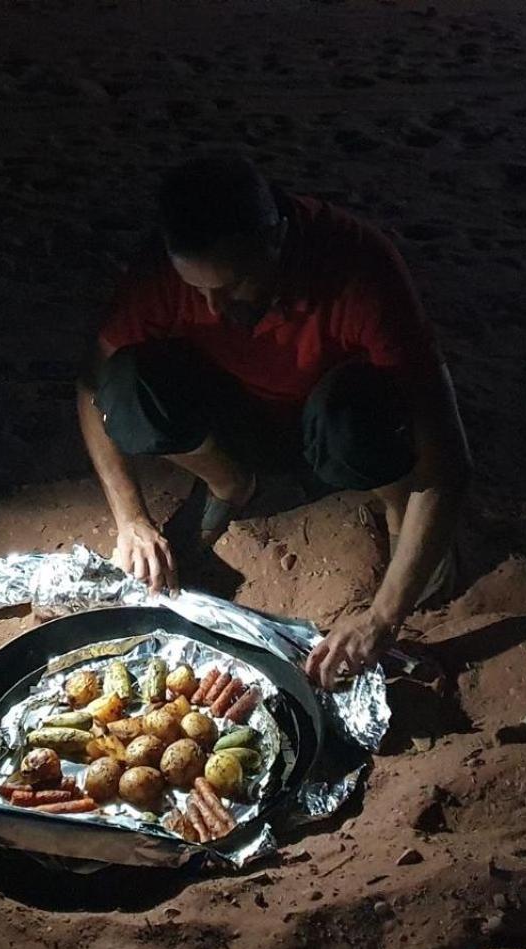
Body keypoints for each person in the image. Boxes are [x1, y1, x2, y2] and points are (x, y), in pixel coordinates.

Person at [77, 154, 472, 686]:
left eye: (232, 286)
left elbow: (447, 454)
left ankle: (399, 522)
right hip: (236, 414)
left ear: (276, 240)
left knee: (357, 412)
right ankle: (230, 482)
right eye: (196, 290)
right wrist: (130, 518)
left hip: (329, 419)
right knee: (125, 385)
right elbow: (89, 385)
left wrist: (383, 617)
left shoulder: (358, 265)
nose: (212, 309)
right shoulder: (163, 273)